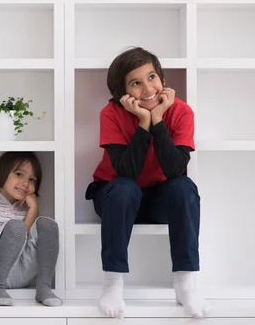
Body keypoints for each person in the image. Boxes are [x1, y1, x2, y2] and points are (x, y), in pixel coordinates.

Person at [86, 47, 209, 318]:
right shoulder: (111, 113)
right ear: (123, 92)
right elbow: (126, 172)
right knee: (124, 188)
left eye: (151, 77)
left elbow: (176, 169)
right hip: (114, 197)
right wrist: (144, 122)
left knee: (185, 187)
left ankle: (185, 283)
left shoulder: (181, 112)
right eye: (135, 83)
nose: (147, 88)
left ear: (162, 78)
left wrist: (158, 120)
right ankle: (112, 283)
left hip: (157, 199)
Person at [0, 151, 62, 307]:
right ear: (2, 172)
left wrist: (33, 209)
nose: (25, 183)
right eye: (19, 174)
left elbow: (25, 238)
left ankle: (44, 287)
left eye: (32, 179)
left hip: (20, 272)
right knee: (15, 227)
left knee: (47, 225)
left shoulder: (26, 209)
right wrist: (3, 239)